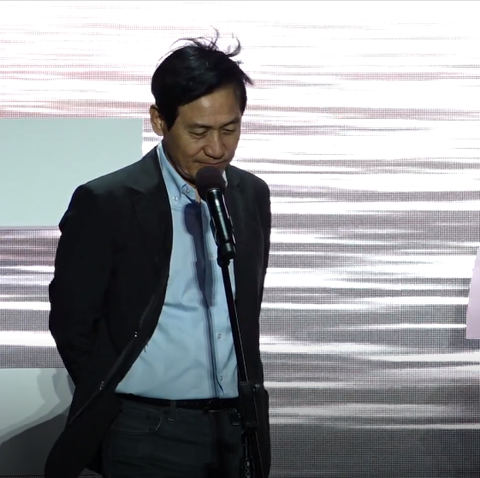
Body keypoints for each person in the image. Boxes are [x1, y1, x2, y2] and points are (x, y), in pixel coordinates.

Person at [44, 32, 271, 478]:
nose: (217, 148)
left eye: (230, 129)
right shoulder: (108, 202)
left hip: (237, 429)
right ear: (159, 121)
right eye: (198, 131)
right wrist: (118, 398)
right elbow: (72, 323)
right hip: (146, 431)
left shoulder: (251, 195)